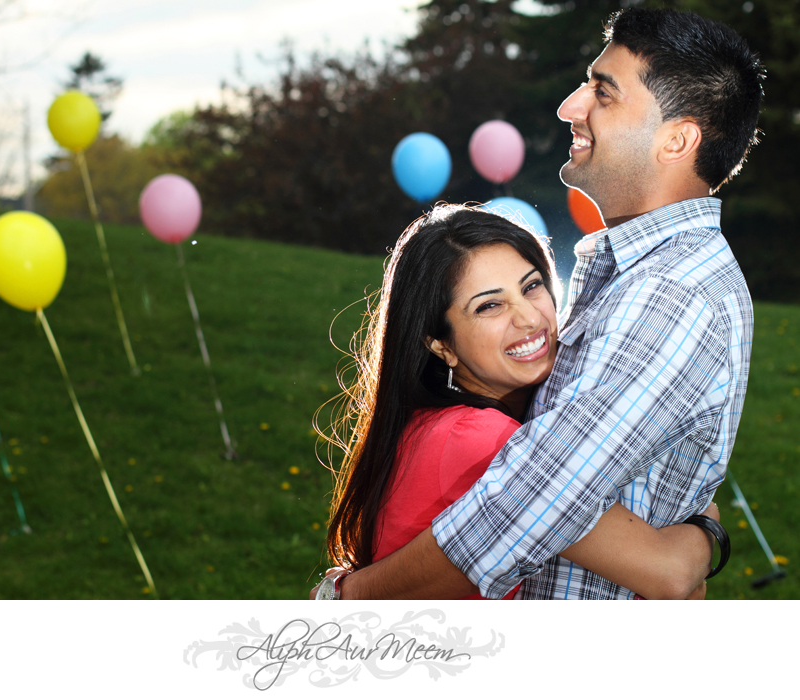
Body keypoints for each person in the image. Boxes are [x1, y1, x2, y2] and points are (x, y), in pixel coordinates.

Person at [314, 7, 762, 600]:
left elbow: (533, 501)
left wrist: (349, 600)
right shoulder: (640, 277)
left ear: (676, 139)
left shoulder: (670, 295)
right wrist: (701, 533)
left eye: (603, 93)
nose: (570, 106)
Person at [315, 204, 716, 600]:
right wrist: (708, 524)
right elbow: (670, 574)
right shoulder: (481, 439)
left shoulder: (434, 422)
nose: (528, 318)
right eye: (490, 305)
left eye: (531, 286)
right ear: (440, 344)